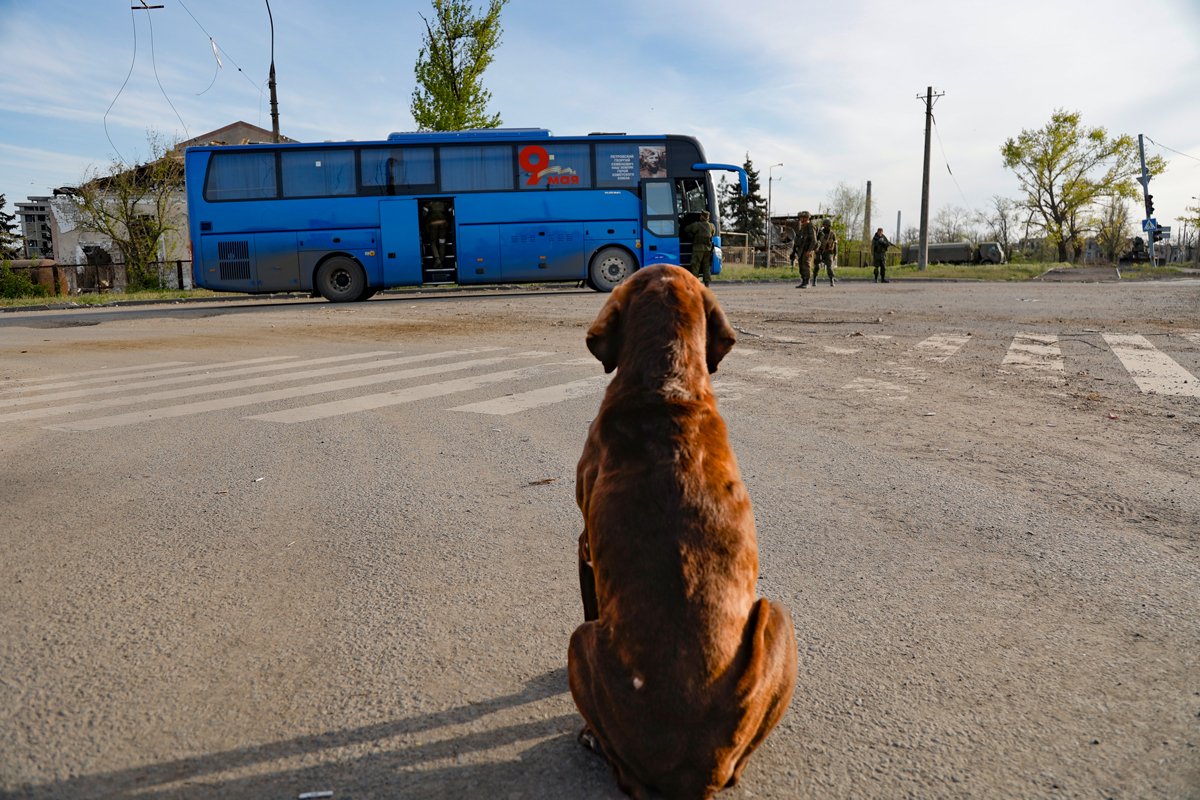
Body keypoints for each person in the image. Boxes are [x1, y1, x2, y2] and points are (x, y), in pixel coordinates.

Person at [685, 210, 716, 286]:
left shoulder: (696, 225)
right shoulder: (712, 226)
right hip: (708, 249)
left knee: (695, 265)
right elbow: (713, 233)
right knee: (706, 266)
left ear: (702, 216)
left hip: (698, 249)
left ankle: (695, 283)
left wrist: (691, 236)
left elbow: (686, 229)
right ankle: (707, 283)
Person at [792, 212, 818, 288]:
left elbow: (814, 240)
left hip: (807, 250)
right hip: (801, 250)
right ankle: (803, 281)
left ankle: (807, 282)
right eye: (800, 217)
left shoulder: (810, 226)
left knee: (806, 265)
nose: (801, 219)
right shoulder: (802, 227)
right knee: (801, 266)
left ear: (806, 218)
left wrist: (809, 250)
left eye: (802, 217)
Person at [815, 218, 838, 286]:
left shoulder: (832, 234)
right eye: (824, 225)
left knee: (829, 267)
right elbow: (816, 242)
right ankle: (814, 279)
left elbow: (835, 244)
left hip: (829, 252)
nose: (825, 226)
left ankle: (832, 280)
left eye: (827, 225)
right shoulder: (820, 233)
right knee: (817, 266)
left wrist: (835, 254)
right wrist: (816, 250)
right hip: (820, 251)